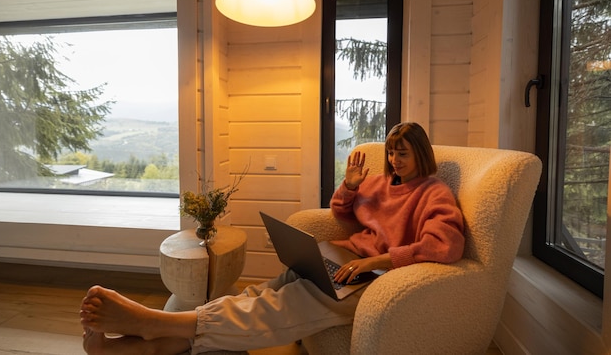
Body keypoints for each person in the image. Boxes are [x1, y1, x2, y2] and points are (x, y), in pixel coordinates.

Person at [79, 122, 465, 355]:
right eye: (392, 153)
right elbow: (342, 214)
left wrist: (375, 262)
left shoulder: (433, 193)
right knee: (257, 295)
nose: (395, 161)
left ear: (421, 156)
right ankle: (143, 348)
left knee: (272, 309)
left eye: (404, 154)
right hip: (340, 262)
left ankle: (154, 325)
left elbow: (445, 245)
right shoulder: (380, 183)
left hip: (371, 282)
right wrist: (348, 187)